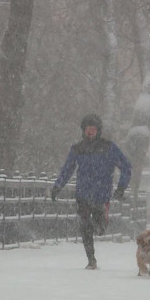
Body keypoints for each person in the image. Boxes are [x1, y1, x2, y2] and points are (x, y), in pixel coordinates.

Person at [51, 113, 132, 269]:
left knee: (99, 229)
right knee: (85, 225)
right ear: (83, 130)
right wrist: (57, 186)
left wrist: (121, 187)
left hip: (102, 194)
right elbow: (67, 169)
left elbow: (126, 167)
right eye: (88, 129)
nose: (90, 132)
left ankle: (102, 220)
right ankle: (91, 259)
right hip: (83, 193)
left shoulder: (108, 147)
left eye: (93, 129)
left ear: (98, 131)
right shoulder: (77, 149)